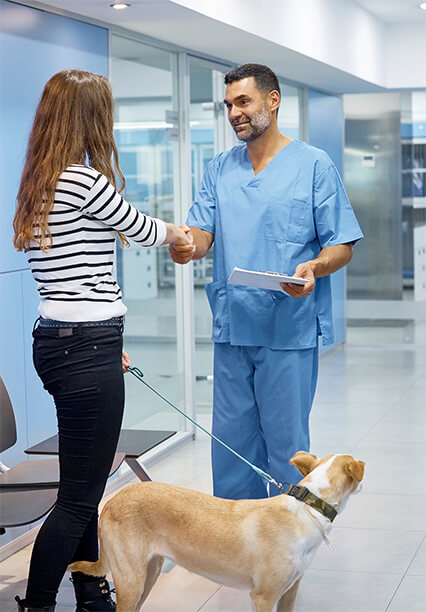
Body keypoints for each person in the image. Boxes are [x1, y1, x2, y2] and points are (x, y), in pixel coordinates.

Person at [13, 69, 192, 612]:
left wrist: (103, 339)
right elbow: (145, 230)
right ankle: (40, 603)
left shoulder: (40, 183)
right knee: (79, 498)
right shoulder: (84, 180)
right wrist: (186, 236)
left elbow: (76, 272)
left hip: (60, 342)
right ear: (91, 119)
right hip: (84, 346)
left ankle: (90, 592)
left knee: (81, 481)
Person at [170, 63, 363, 501]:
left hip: (288, 327)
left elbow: (343, 244)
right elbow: (202, 234)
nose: (235, 113)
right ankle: (237, 552)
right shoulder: (219, 168)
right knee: (232, 446)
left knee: (287, 448)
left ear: (272, 101)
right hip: (234, 325)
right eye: (228, 105)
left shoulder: (313, 165)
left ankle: (287, 548)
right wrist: (186, 245)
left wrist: (314, 266)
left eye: (244, 102)